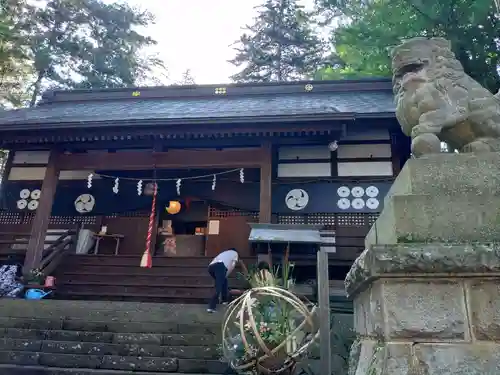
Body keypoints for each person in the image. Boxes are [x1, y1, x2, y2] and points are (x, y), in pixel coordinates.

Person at [207, 248, 239, 313]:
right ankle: (211, 307)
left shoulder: (224, 253)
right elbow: (232, 265)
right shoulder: (235, 253)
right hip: (220, 266)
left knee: (224, 281)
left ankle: (224, 300)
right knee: (218, 287)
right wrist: (226, 274)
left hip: (211, 267)